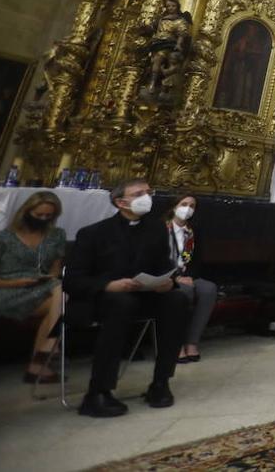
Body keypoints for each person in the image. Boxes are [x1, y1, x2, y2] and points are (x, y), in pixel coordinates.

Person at [65, 178, 190, 417]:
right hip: (103, 300)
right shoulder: (93, 234)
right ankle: (98, 392)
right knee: (121, 302)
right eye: (139, 193)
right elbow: (72, 280)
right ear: (120, 202)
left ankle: (161, 383)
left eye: (148, 191)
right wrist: (108, 285)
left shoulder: (155, 230)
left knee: (178, 300)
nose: (147, 197)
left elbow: (164, 266)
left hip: (143, 296)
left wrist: (167, 282)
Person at [0, 191, 65, 383]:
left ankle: (37, 364)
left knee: (59, 297)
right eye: (39, 215)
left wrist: (44, 278)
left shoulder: (56, 235)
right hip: (2, 290)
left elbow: (55, 270)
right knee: (61, 294)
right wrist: (15, 283)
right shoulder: (2, 238)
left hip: (38, 288)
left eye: (48, 216)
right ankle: (45, 354)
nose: (44, 219)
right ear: (27, 212)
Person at [166, 194, 217, 363]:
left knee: (208, 288)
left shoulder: (193, 231)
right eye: (184, 204)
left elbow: (197, 260)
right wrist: (176, 277)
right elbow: (157, 259)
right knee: (185, 290)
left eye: (192, 206)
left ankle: (192, 342)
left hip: (188, 274)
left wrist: (189, 276)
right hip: (167, 276)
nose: (188, 208)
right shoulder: (162, 229)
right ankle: (175, 343)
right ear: (174, 206)